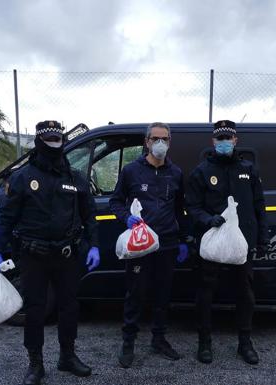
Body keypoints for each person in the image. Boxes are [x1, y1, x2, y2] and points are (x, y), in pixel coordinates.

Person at [0, 120, 100, 385]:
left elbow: (90, 215)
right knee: (36, 310)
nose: (53, 144)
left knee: (69, 307)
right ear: (39, 142)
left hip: (67, 255)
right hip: (33, 256)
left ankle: (67, 356)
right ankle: (35, 364)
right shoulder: (22, 178)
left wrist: (94, 244)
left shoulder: (75, 177)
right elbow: (5, 218)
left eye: (57, 139)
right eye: (48, 140)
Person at [185, 119, 268, 365]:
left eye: (227, 138)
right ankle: (204, 343)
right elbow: (192, 206)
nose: (224, 142)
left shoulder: (248, 169)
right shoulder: (202, 171)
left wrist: (262, 237)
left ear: (235, 140)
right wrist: (209, 219)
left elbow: (259, 206)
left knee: (245, 293)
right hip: (211, 242)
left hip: (242, 244)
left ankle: (245, 343)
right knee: (205, 293)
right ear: (213, 141)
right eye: (219, 138)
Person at [109, 122, 188, 368]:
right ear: (147, 142)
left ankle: (159, 339)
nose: (160, 143)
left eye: (164, 138)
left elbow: (180, 209)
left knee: (162, 296)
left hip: (166, 244)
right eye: (155, 138)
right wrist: (126, 218)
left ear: (170, 142)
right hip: (139, 245)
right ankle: (128, 342)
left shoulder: (175, 173)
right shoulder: (131, 171)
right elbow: (115, 201)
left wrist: (183, 239)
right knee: (135, 294)